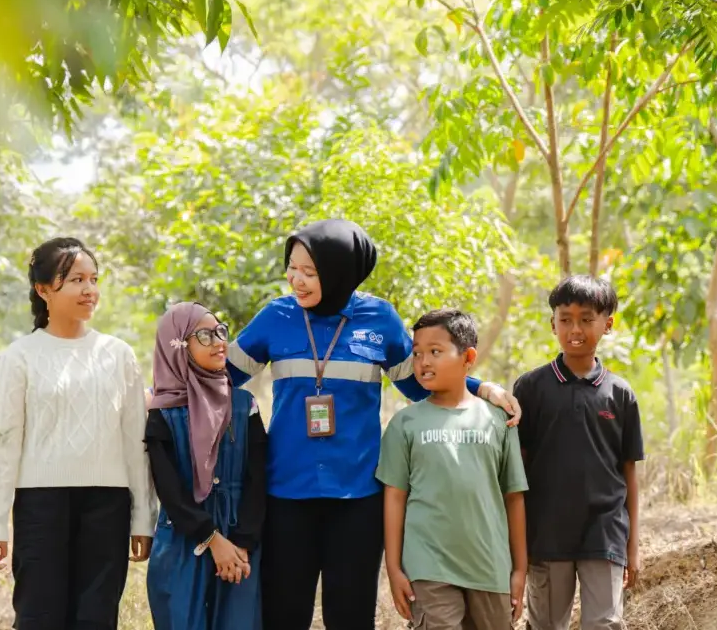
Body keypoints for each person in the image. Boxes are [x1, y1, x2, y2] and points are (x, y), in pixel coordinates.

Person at [225, 218, 521, 630]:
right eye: (292, 267)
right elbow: (219, 376)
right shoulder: (276, 316)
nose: (297, 279)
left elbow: (420, 384)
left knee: (350, 616)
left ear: (340, 271)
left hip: (359, 497)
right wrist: (164, 392)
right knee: (282, 613)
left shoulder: (379, 319)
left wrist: (482, 387)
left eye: (310, 272)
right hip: (286, 493)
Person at [0, 237, 157, 630]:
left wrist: (143, 516)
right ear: (43, 290)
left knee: (97, 618)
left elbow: (135, 443)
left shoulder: (118, 354)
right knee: (40, 617)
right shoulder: (20, 356)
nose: (89, 290)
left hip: (108, 506)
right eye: (75, 280)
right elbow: (2, 444)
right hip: (41, 507)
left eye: (93, 279)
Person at [377, 309, 529, 630]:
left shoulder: (498, 420)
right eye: (417, 353)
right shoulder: (405, 424)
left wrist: (519, 569)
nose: (423, 362)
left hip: (489, 567)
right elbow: (394, 498)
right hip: (428, 567)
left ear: (468, 357)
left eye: (435, 352)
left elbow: (513, 497)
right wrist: (394, 569)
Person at [514, 275, 644, 630]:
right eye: (566, 319)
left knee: (605, 623)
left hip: (605, 534)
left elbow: (628, 473)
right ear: (552, 322)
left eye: (587, 319)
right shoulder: (531, 388)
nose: (575, 328)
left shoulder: (620, 394)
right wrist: (517, 546)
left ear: (608, 324)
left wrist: (633, 546)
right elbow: (517, 470)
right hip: (546, 535)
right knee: (545, 625)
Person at [145, 302, 267, 630]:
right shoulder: (162, 413)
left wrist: (241, 543)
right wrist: (212, 540)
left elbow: (259, 478)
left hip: (241, 542)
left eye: (220, 331)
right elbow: (169, 488)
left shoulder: (244, 405)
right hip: (184, 541)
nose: (218, 341)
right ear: (178, 345)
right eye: (204, 335)